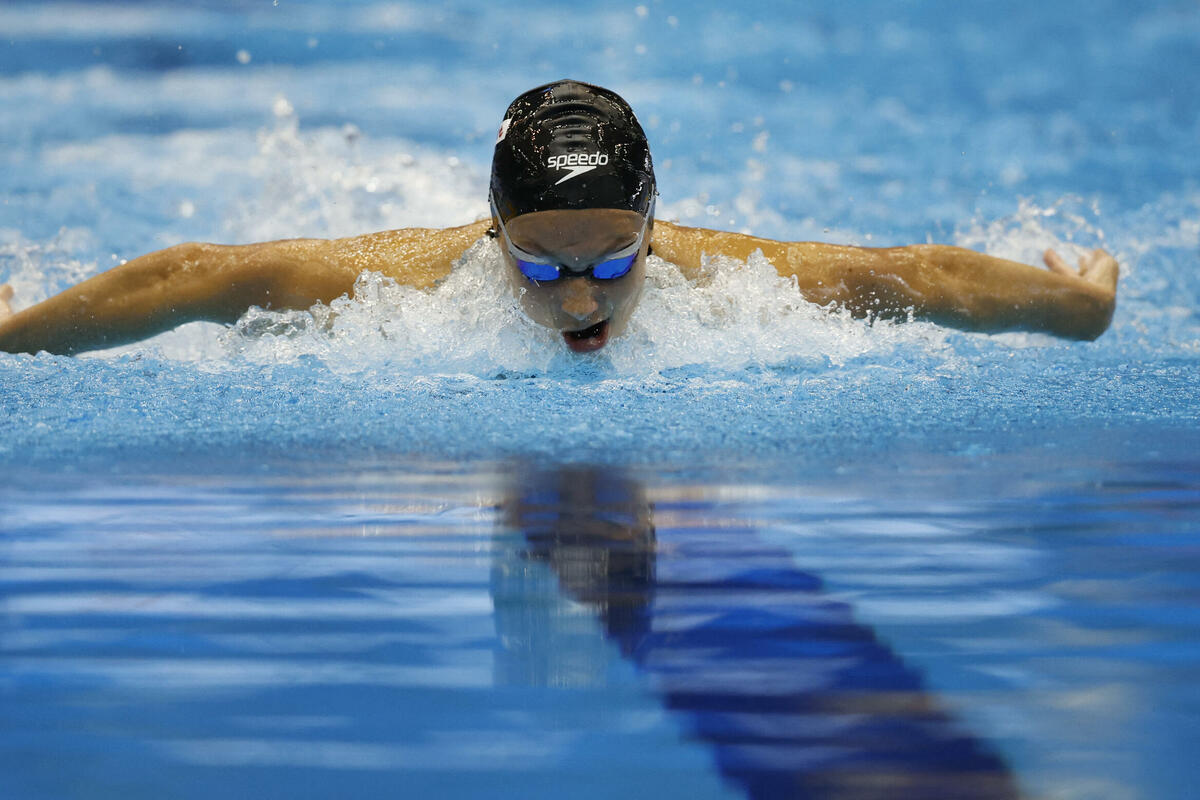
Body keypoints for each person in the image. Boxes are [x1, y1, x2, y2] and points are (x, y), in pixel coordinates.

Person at [0, 79, 1119, 356]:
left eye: (613, 264)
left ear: (653, 230)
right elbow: (203, 274)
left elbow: (916, 275)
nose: (581, 301)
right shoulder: (411, 286)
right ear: (493, 235)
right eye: (540, 270)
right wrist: (15, 335)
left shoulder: (728, 280)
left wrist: (1080, 311)